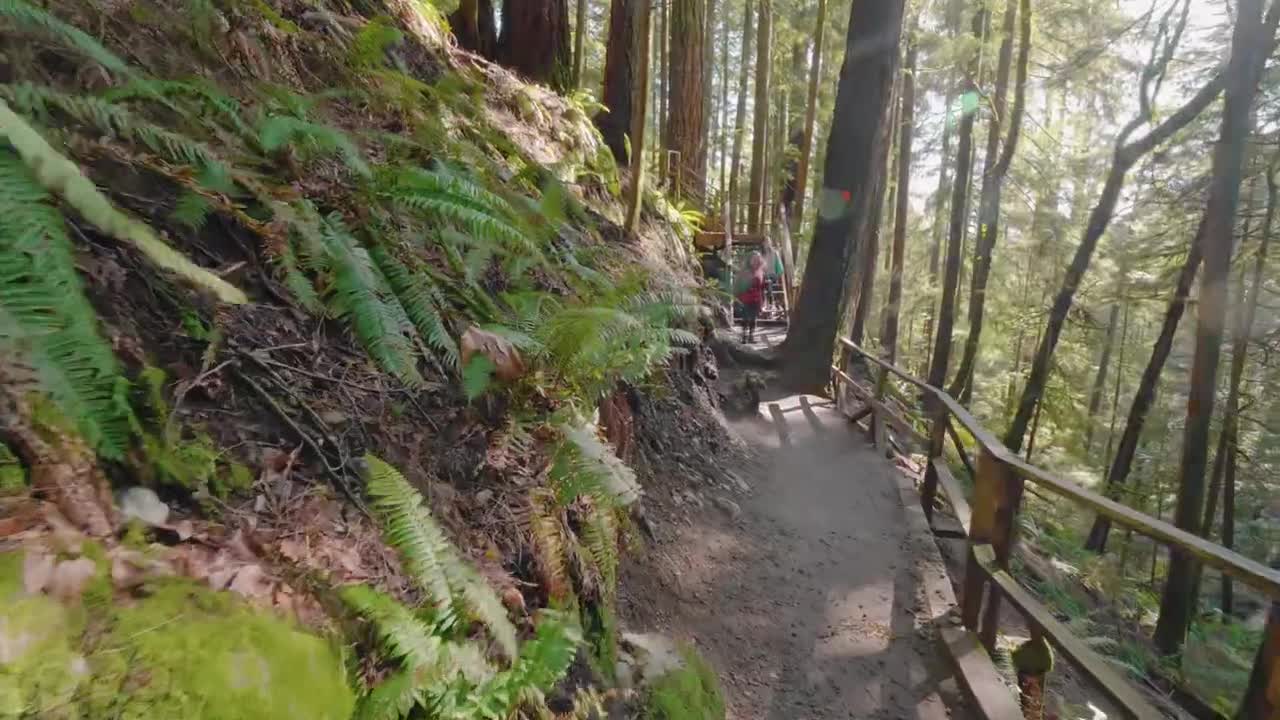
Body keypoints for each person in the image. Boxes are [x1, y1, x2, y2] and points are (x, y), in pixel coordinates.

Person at [736, 251, 766, 344]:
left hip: (756, 298)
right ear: (750, 260)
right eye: (753, 259)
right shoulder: (744, 271)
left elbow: (762, 287)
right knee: (745, 317)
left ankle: (751, 336)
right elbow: (739, 284)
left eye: (757, 259)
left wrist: (762, 301)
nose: (755, 261)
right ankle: (744, 336)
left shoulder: (761, 271)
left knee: (753, 318)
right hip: (746, 297)